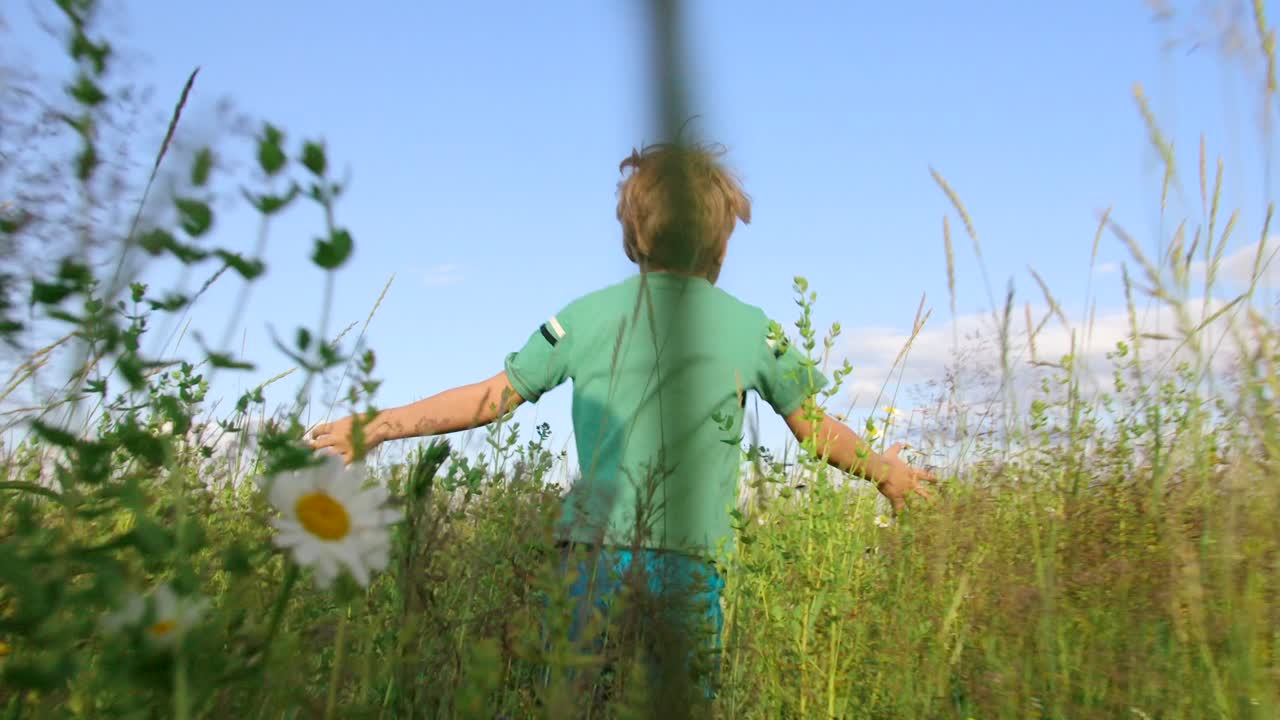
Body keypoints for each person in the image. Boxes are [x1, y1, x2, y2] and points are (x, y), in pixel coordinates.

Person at [307, 142, 937, 703]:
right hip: (690, 567)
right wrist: (888, 474)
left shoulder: (583, 318)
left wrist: (380, 425)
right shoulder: (753, 329)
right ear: (720, 242)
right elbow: (815, 429)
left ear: (632, 237)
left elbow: (489, 399)